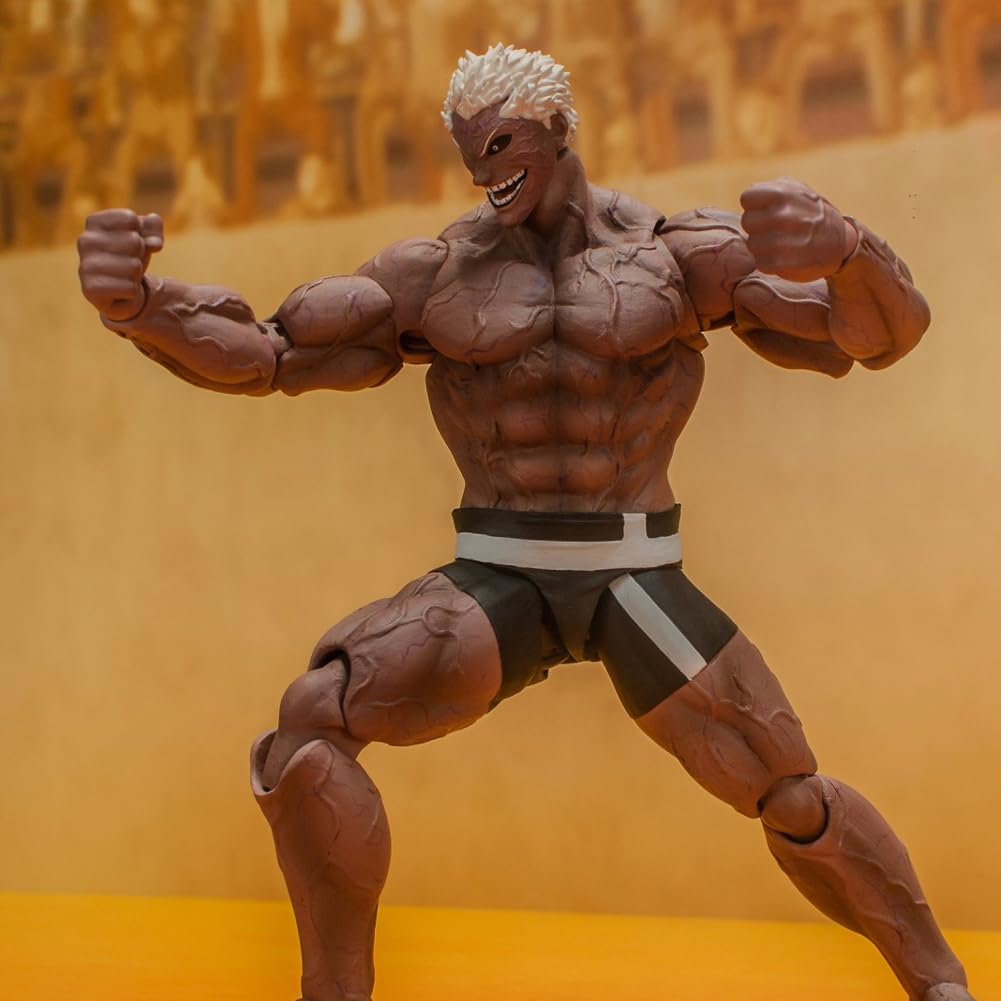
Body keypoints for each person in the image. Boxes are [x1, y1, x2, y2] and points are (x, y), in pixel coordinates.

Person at [77, 43, 974, 1001]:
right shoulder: (435, 274)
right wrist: (140, 306)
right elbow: (268, 353)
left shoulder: (671, 253)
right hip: (497, 573)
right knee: (312, 719)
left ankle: (937, 981)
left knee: (788, 791)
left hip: (631, 570)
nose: (482, 167)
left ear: (553, 128)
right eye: (468, 148)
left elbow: (875, 336)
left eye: (499, 142)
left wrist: (848, 250)